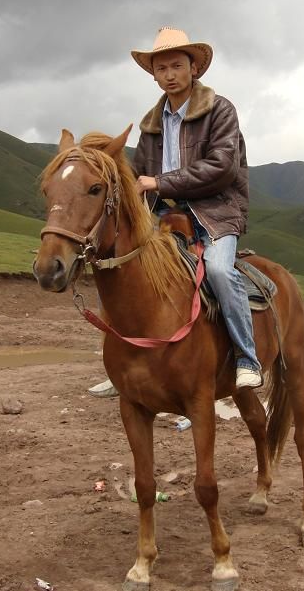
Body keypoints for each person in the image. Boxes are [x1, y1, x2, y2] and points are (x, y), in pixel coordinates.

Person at [89, 26, 262, 395]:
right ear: (153, 75)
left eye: (176, 66)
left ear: (193, 68)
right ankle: (124, 361)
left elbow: (222, 167)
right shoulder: (152, 124)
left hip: (216, 210)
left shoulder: (219, 109)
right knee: (125, 271)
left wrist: (160, 183)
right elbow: (138, 174)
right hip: (165, 214)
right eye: (160, 68)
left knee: (217, 269)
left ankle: (247, 357)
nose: (168, 74)